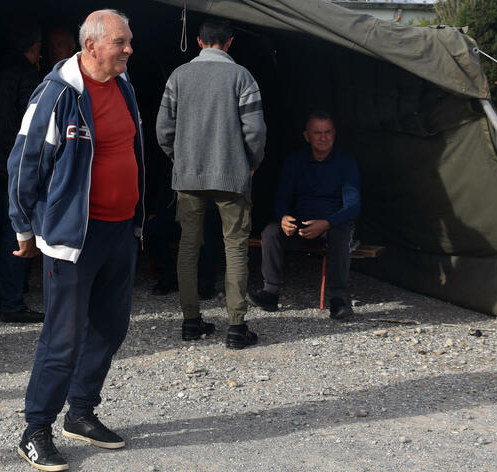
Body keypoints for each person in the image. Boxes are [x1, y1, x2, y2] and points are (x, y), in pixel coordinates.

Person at [9, 9, 144, 471]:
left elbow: (132, 153)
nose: (129, 49)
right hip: (73, 238)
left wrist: (136, 223)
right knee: (62, 338)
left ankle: (81, 413)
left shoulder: (124, 87)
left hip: (119, 231)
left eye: (128, 42)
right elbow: (25, 163)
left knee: (110, 327)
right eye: (121, 42)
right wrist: (25, 228)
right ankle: (35, 429)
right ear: (91, 46)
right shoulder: (57, 94)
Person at [155, 18, 266, 350]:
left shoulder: (178, 76)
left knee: (188, 246)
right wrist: (250, 164)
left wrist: (179, 159)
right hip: (232, 175)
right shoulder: (242, 76)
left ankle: (191, 322)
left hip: (188, 176)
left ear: (199, 43)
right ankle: (236, 327)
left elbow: (163, 130)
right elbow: (256, 131)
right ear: (229, 43)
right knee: (234, 246)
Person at [247, 111, 361, 319]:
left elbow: (353, 206)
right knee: (271, 231)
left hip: (331, 223)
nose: (323, 137)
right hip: (302, 223)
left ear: (335, 134)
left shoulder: (346, 162)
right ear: (307, 136)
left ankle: (339, 299)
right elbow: (282, 198)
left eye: (328, 132)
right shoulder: (295, 161)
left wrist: (326, 223)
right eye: (317, 133)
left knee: (341, 233)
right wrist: (283, 217)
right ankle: (270, 292)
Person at [0, 24, 45, 323]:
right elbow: (34, 125)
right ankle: (13, 303)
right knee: (17, 233)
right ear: (33, 48)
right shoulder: (28, 76)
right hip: (14, 166)